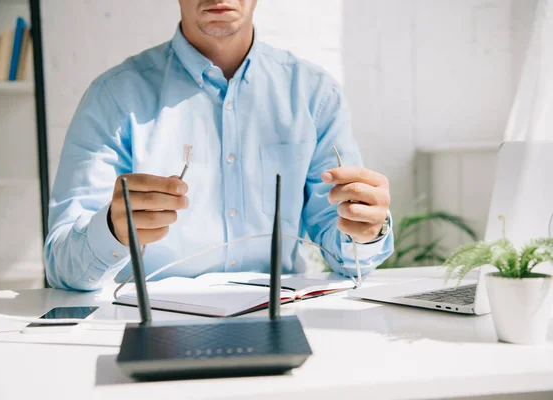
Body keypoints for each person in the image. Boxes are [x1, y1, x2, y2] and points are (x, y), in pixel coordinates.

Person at [44, 0, 394, 291]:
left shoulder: (316, 96)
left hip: (281, 315)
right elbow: (62, 266)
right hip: (149, 324)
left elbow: (347, 257)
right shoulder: (113, 97)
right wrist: (111, 230)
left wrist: (364, 230)